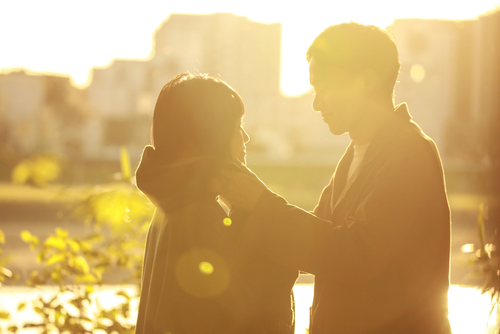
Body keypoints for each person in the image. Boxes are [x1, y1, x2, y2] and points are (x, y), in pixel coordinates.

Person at [219, 23, 452, 334]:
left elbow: (355, 252)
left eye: (324, 87)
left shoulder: (408, 153)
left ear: (366, 80)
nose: (316, 104)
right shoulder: (358, 152)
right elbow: (316, 241)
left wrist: (262, 204)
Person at [135, 73, 298, 334]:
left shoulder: (173, 204)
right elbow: (238, 316)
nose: (245, 138)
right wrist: (257, 215)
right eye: (236, 128)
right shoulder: (199, 216)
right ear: (213, 136)